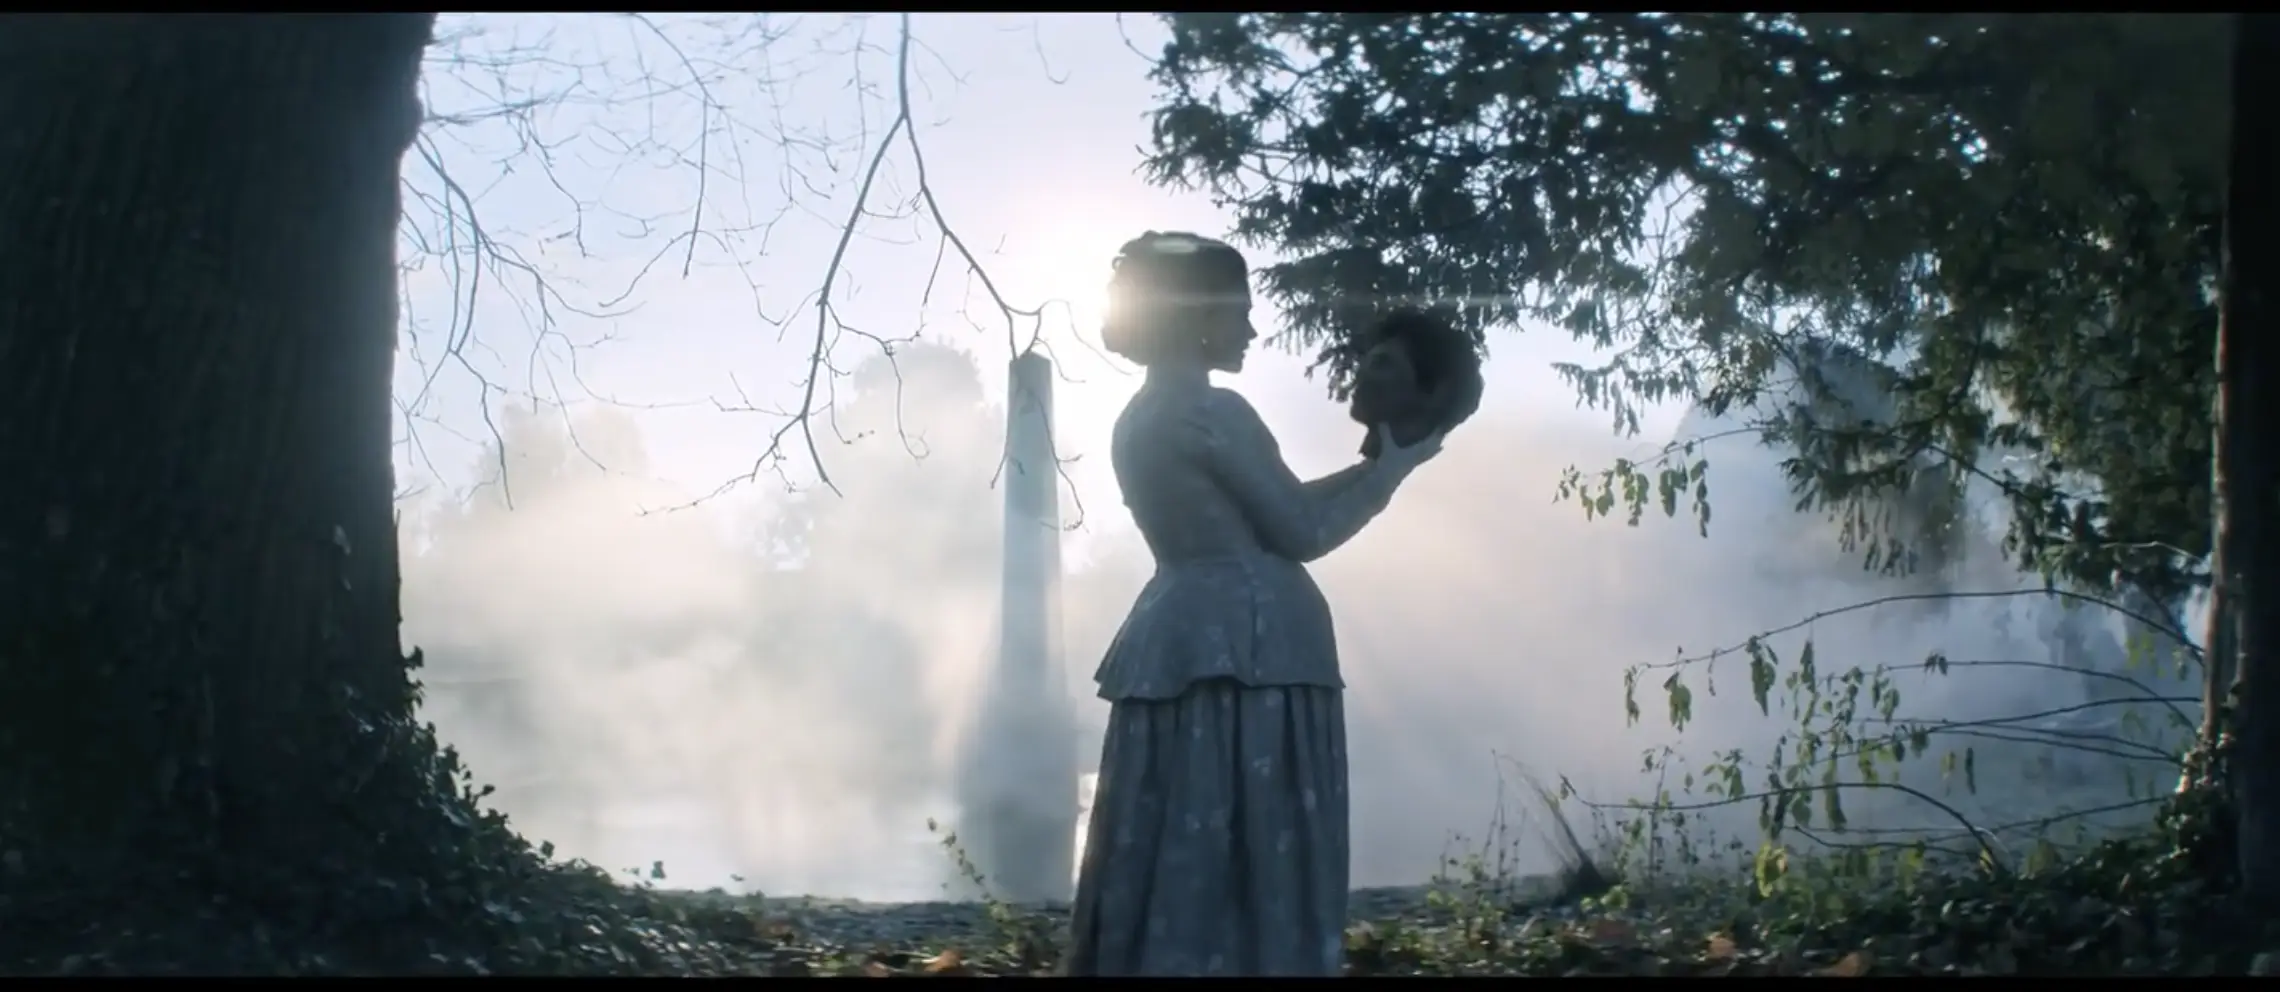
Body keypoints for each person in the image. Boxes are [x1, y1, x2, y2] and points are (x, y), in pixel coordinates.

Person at [1068, 231, 1444, 976]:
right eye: (1239, 309)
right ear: (1198, 313)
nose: (1251, 327)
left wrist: (1374, 467)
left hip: (1179, 635)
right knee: (1254, 843)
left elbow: (1277, 507)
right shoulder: (1215, 410)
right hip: (1254, 651)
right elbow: (1302, 532)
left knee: (1181, 833)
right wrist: (1390, 476)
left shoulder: (1140, 416)